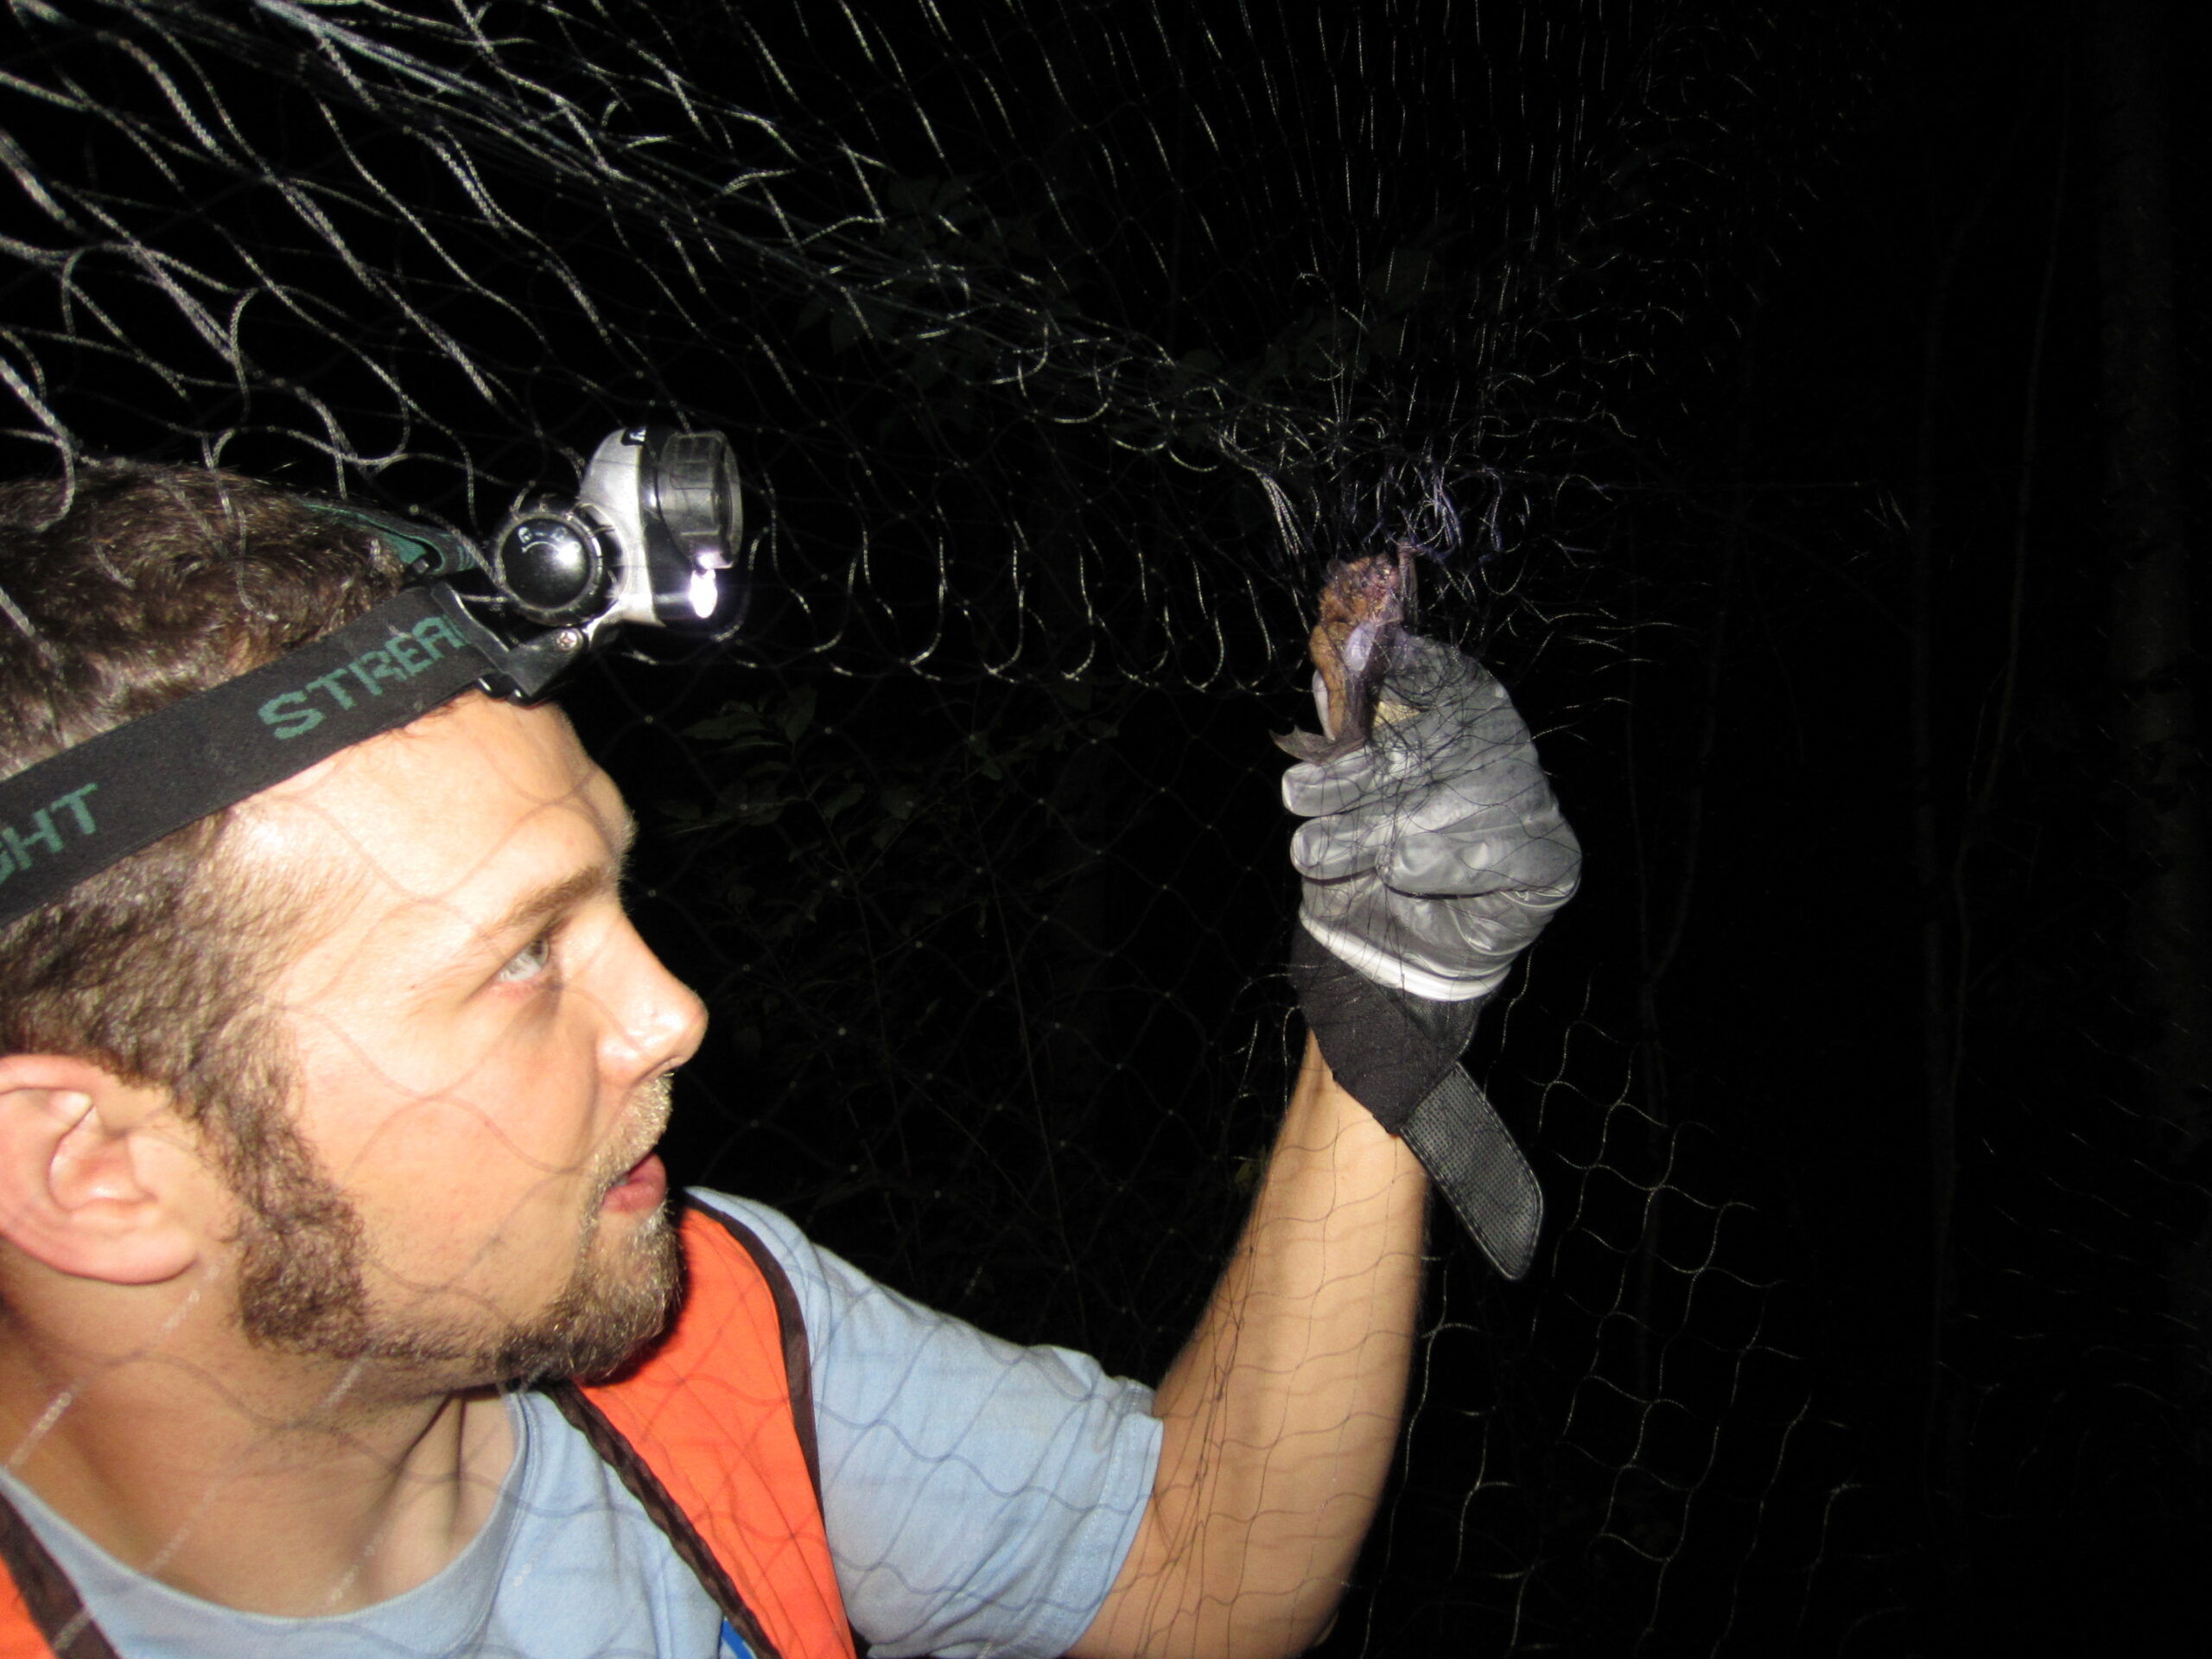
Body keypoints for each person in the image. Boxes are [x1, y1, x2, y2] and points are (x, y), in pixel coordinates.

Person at [0, 463, 1577, 1658]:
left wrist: (1390, 979)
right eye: (521, 957)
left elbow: (1202, 1564)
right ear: (97, 1173)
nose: (675, 1013)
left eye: (608, 895)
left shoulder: (707, 1335)